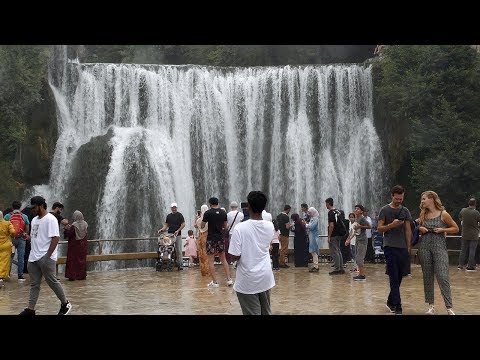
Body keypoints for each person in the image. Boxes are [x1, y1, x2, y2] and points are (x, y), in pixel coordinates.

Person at [19, 196, 72, 315]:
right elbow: (35, 236)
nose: (33, 210)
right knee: (34, 284)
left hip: (45, 257)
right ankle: (30, 309)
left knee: (52, 281)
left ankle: (65, 303)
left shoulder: (51, 219)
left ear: (41, 206)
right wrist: (27, 237)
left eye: (35, 207)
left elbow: (56, 238)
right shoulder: (34, 220)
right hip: (33, 257)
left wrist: (47, 256)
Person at [228, 191, 275, 315]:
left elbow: (234, 256)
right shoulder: (270, 226)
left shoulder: (240, 228)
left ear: (248, 206)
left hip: (247, 280)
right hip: (265, 277)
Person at [417, 191, 458, 315]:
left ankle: (449, 307)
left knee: (442, 277)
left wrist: (443, 229)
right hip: (424, 248)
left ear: (431, 199)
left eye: (424, 199)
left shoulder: (443, 214)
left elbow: (456, 228)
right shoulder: (423, 214)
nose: (422, 201)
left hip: (439, 248)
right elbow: (414, 226)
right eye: (421, 199)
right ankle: (431, 306)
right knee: (427, 277)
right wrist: (419, 228)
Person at [377, 185, 412, 315]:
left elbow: (408, 230)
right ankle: (398, 306)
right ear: (392, 196)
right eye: (397, 198)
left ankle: (390, 301)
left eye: (401, 199)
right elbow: (379, 229)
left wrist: (409, 247)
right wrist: (392, 225)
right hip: (389, 246)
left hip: (402, 247)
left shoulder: (405, 211)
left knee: (400, 276)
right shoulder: (384, 210)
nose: (398, 201)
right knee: (393, 277)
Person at [201, 197, 233, 287]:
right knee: (223, 259)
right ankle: (229, 279)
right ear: (218, 203)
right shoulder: (223, 212)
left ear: (210, 204)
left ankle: (215, 282)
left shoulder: (207, 213)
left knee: (211, 261)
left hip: (211, 239)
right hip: (220, 238)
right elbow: (225, 226)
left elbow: (202, 226)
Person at [3, 200, 30, 281]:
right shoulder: (24, 216)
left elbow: (4, 228)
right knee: (21, 257)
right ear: (20, 207)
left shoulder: (7, 216)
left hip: (11, 240)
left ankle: (7, 274)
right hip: (21, 239)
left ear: (12, 207)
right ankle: (20, 276)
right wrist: (24, 234)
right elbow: (27, 229)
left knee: (9, 257)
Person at [158, 202, 185, 270]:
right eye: (173, 208)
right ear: (171, 208)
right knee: (167, 248)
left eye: (175, 207)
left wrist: (178, 230)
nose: (174, 209)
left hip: (177, 235)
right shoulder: (169, 216)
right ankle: (168, 262)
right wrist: (162, 229)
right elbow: (166, 225)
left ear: (176, 208)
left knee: (178, 250)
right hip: (169, 235)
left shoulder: (180, 215)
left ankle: (180, 265)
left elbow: (183, 224)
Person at [64, 210, 88, 281]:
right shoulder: (85, 224)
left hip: (74, 246)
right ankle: (81, 275)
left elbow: (69, 234)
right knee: (81, 260)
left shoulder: (74, 225)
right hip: (83, 245)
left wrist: (66, 229)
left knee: (72, 260)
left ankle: (72, 276)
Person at [325, 197, 346, 275]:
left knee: (334, 251)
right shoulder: (338, 211)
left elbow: (331, 225)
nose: (325, 206)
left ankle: (337, 269)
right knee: (338, 250)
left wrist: (329, 236)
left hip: (334, 234)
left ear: (328, 203)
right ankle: (341, 268)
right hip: (340, 234)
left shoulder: (330, 212)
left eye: (326, 204)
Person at [458, 198, 480, 271]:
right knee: (472, 250)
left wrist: (462, 221)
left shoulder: (463, 210)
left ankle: (460, 265)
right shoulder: (476, 212)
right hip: (474, 234)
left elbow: (460, 217)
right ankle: (470, 266)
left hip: (464, 233)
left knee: (463, 250)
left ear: (468, 203)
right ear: (475, 204)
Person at [350, 205, 371, 281]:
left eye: (358, 209)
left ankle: (362, 275)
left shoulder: (362, 218)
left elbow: (370, 226)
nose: (356, 210)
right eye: (355, 208)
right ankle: (360, 274)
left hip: (362, 240)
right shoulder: (357, 218)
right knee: (357, 257)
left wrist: (360, 227)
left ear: (361, 211)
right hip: (358, 240)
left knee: (359, 258)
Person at [0, 211, 16, 287]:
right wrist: (12, 236)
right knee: (4, 261)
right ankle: (1, 277)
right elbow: (13, 232)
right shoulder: (7, 223)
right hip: (5, 245)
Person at [194, 204, 209, 276]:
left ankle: (203, 270)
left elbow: (195, 225)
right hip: (208, 236)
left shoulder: (199, 220)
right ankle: (208, 270)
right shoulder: (209, 218)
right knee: (208, 253)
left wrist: (196, 218)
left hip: (200, 237)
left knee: (202, 254)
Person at [305, 207, 320, 272]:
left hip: (314, 237)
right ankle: (315, 265)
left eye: (310, 212)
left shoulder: (315, 219)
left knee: (314, 252)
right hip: (312, 237)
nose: (309, 214)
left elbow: (311, 227)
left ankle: (316, 266)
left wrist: (305, 224)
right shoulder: (312, 219)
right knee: (313, 252)